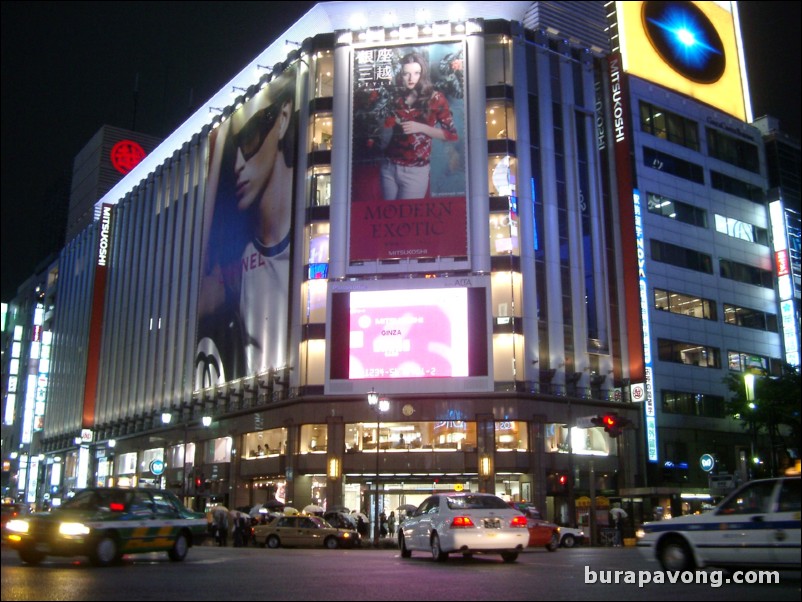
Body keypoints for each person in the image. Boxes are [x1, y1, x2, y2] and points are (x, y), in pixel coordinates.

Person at [195, 67, 297, 388]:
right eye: (231, 151)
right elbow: (198, 302)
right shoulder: (242, 255)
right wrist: (220, 136)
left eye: (250, 138)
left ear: (282, 118)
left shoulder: (313, 233)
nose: (238, 163)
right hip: (259, 399)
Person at [380, 52, 459, 200]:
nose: (411, 79)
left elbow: (451, 134)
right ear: (401, 75)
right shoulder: (396, 96)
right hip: (389, 166)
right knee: (388, 217)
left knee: (408, 219)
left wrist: (421, 128)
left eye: (416, 73)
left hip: (415, 170)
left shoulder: (435, 98)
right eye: (406, 74)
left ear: (423, 74)